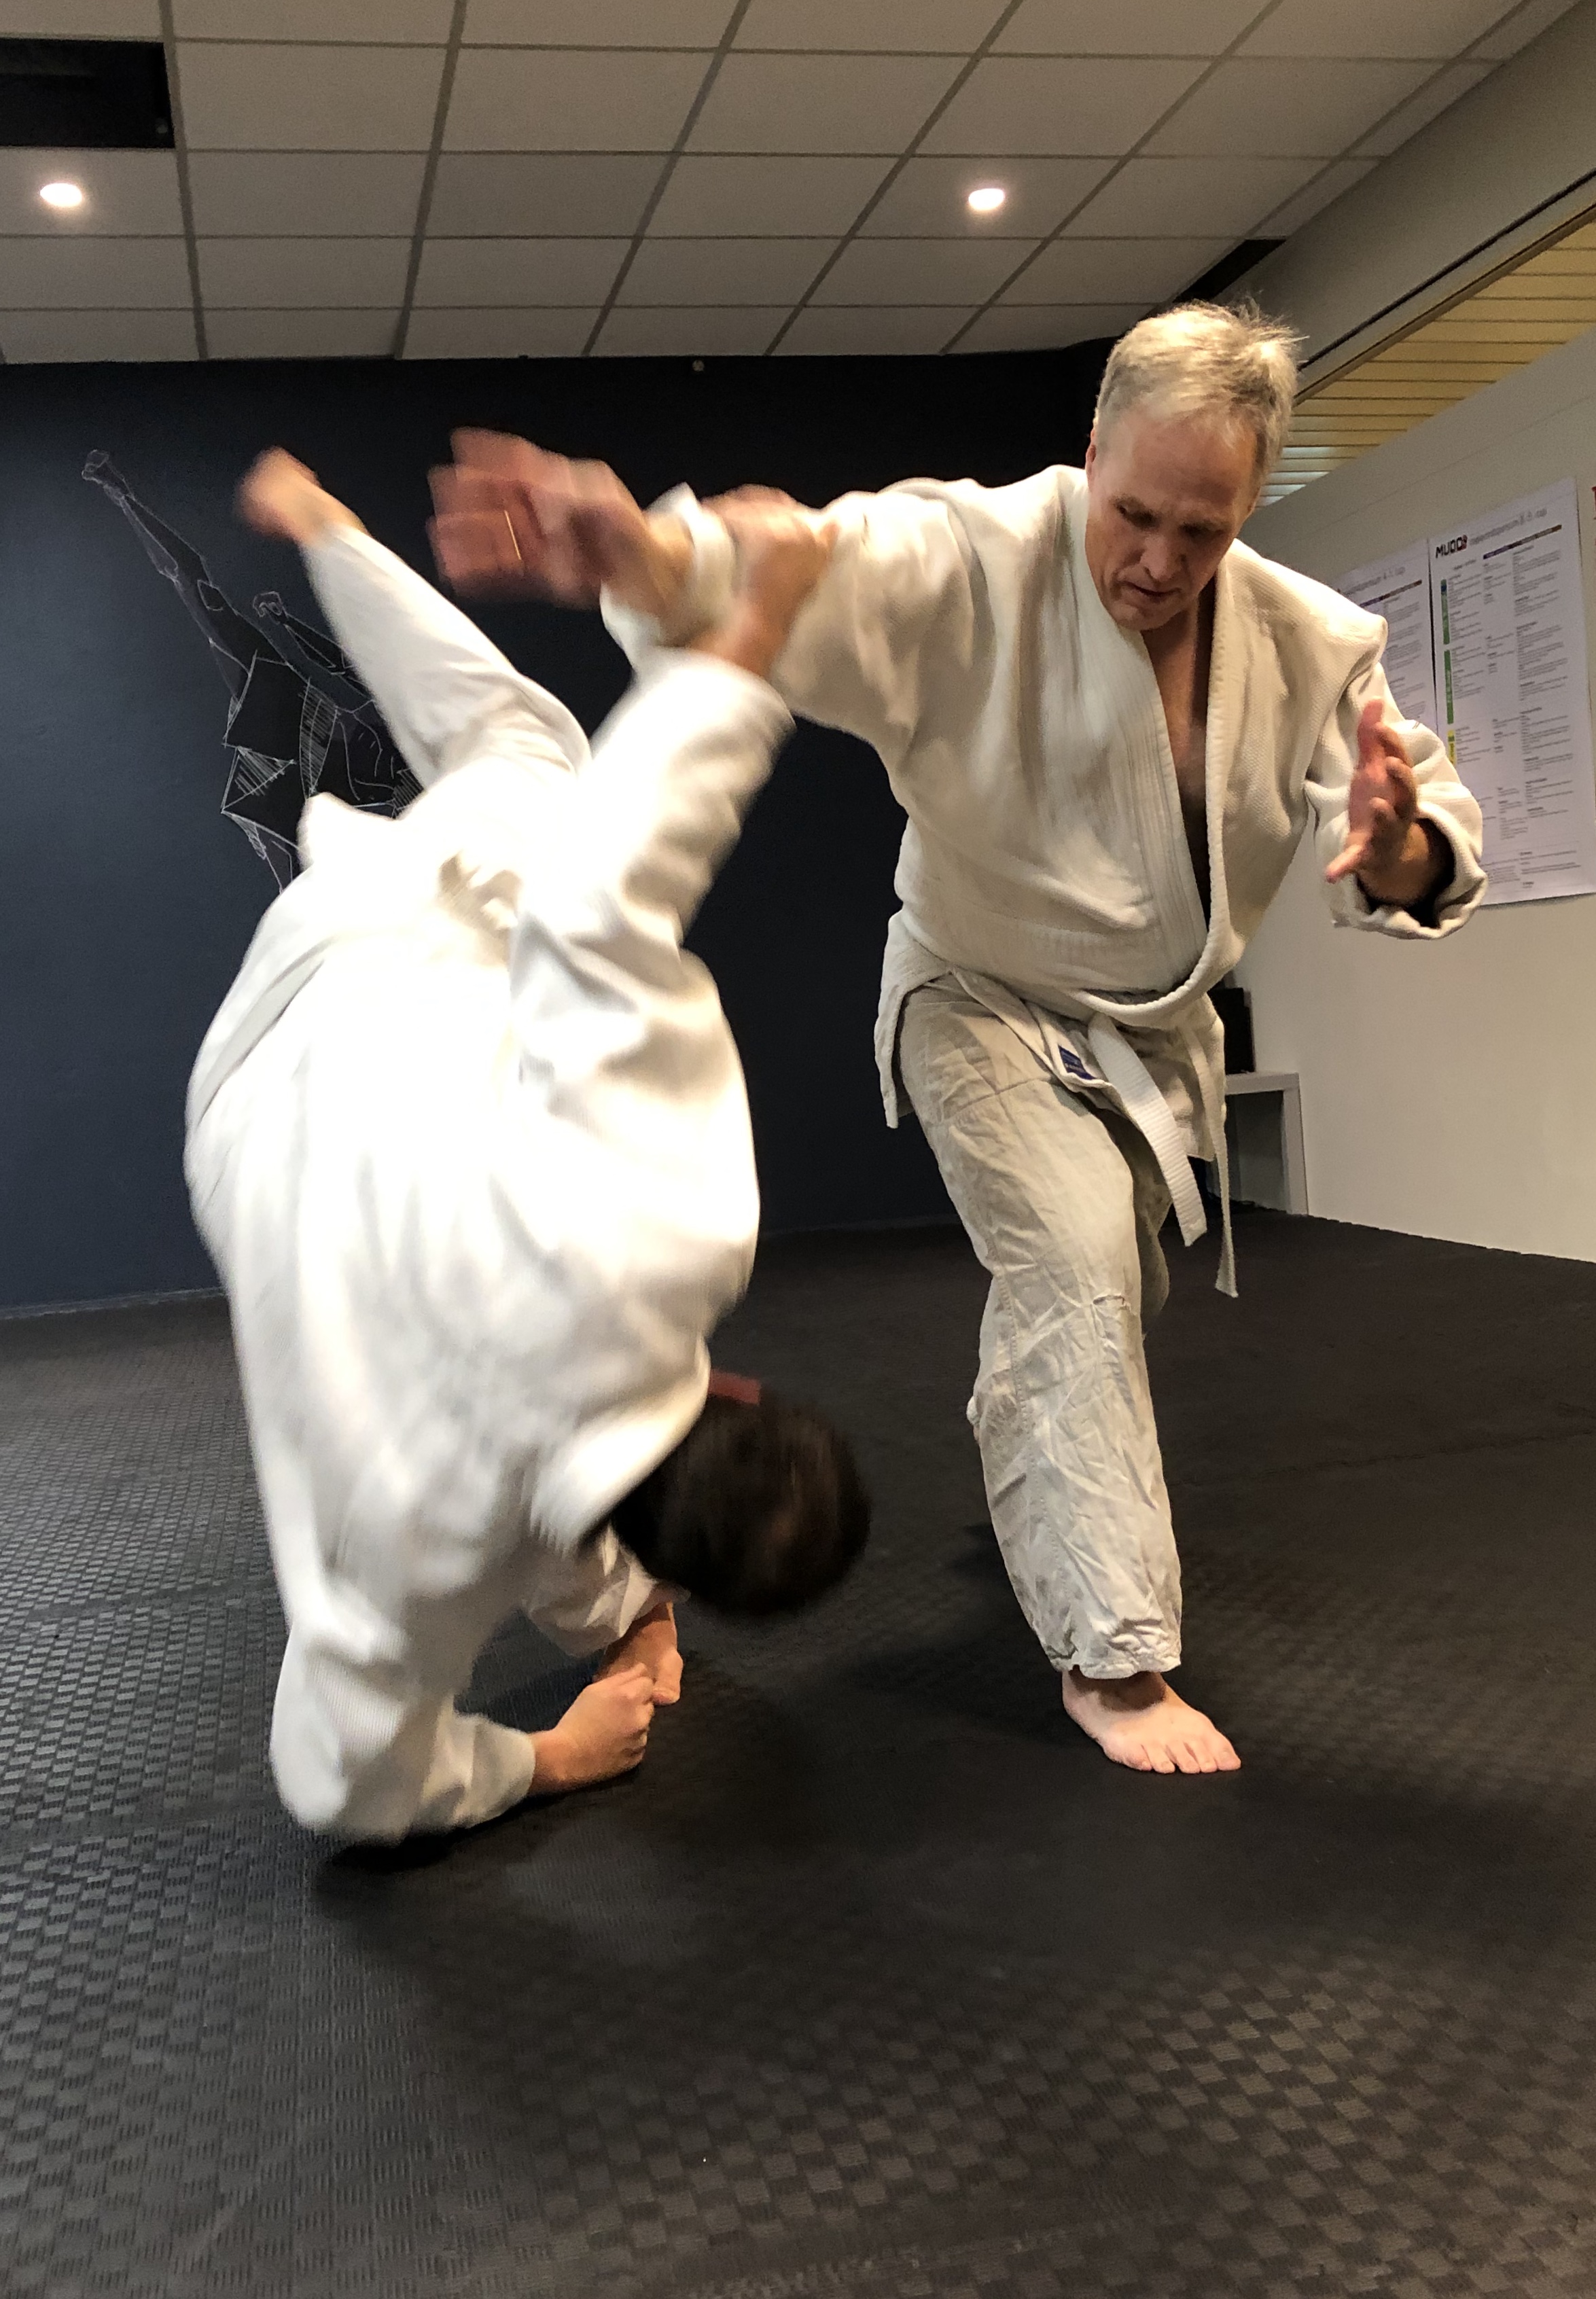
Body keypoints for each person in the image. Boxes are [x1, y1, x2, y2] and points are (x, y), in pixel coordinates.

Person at [427, 301, 1485, 1780]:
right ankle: (1113, 1660)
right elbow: (798, 562)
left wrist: (1397, 845)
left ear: (1247, 507)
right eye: (1134, 514)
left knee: (1105, 1294)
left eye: (1202, 531)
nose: (1159, 561)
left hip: (1150, 1035)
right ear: (1091, 452)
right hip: (973, 996)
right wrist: (644, 556)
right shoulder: (975, 556)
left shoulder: (1306, 638)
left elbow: (1421, 834)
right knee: (1071, 1270)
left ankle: (1029, 1431)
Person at [186, 449, 868, 1842]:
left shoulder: (672, 1243)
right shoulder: (426, 1552)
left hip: (397, 957)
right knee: (531, 1445)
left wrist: (747, 650)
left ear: (741, 1392)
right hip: (256, 1108)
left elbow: (599, 918)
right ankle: (631, 1605)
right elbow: (341, 1782)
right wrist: (545, 1757)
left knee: (530, 756)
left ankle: (330, 531)